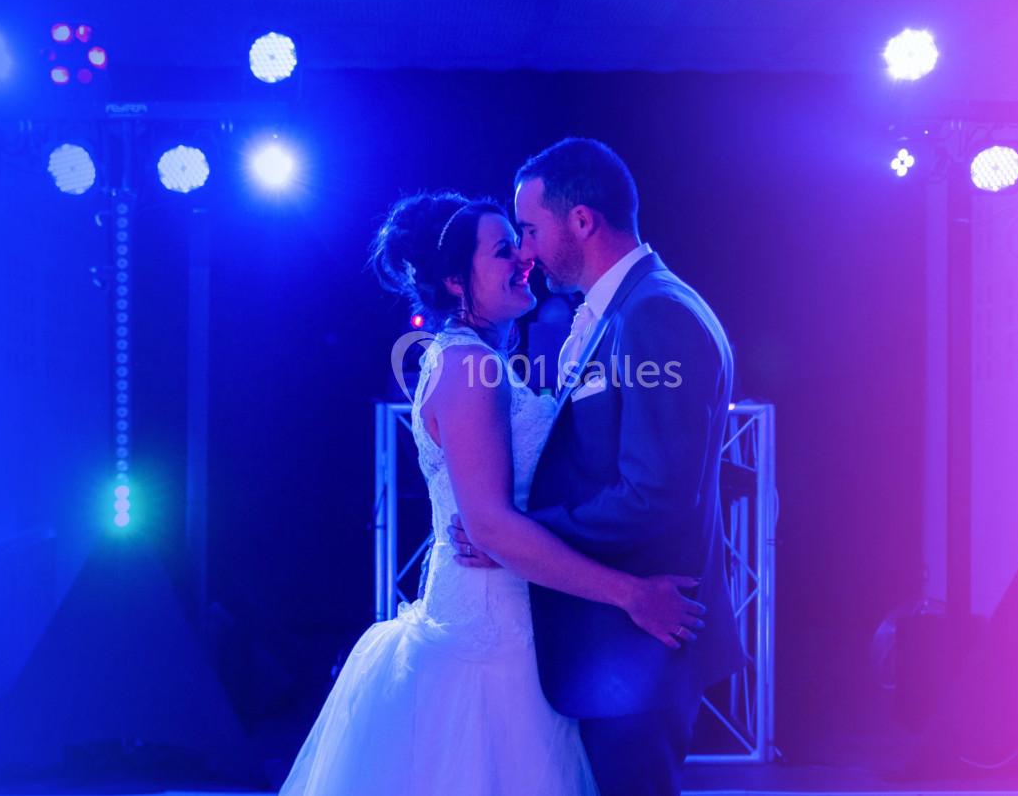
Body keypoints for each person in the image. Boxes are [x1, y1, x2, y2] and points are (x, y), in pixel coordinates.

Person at [277, 192, 706, 796]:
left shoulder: (487, 362)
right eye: (505, 249)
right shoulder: (465, 367)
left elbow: (504, 515)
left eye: (522, 242)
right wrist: (630, 594)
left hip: (520, 620)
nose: (525, 257)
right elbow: (491, 527)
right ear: (456, 282)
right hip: (486, 640)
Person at [450, 138, 745, 796]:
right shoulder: (623, 309)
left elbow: (650, 495)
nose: (524, 249)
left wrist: (518, 540)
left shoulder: (654, 315)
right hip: (614, 640)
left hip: (640, 634)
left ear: (580, 220)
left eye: (529, 229)